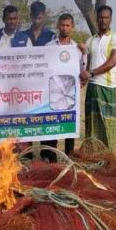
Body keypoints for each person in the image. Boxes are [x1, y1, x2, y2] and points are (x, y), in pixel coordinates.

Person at [79, 5, 116, 150]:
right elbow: (86, 64)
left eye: (106, 17)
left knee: (106, 124)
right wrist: (84, 78)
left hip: (107, 88)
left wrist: (91, 73)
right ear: (96, 19)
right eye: (100, 17)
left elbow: (112, 62)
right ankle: (92, 155)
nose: (103, 20)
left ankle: (107, 156)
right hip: (92, 87)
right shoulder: (90, 41)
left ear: (110, 19)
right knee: (91, 124)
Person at [46, 13, 87, 156]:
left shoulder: (78, 48)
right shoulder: (49, 47)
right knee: (53, 124)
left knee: (69, 125)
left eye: (68, 25)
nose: (65, 28)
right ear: (58, 26)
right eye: (62, 25)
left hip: (70, 93)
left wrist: (85, 53)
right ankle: (51, 159)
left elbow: (83, 70)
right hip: (54, 93)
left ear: (72, 27)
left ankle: (69, 158)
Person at [22, 1, 56, 162]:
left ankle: (47, 154)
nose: (37, 18)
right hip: (26, 87)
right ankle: (27, 154)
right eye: (34, 15)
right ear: (31, 16)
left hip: (45, 87)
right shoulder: (22, 36)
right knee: (26, 119)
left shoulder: (52, 36)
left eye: (40, 15)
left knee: (46, 119)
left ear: (44, 15)